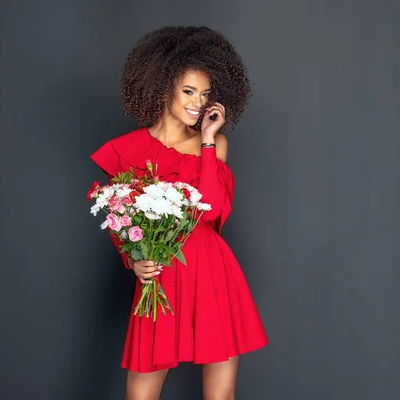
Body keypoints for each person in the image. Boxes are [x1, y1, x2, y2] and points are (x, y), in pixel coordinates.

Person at [90, 26, 268, 400]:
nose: (197, 103)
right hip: (160, 278)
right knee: (141, 392)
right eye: (188, 91)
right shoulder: (127, 150)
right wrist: (133, 261)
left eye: (205, 95)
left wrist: (205, 142)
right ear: (162, 87)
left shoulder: (214, 144)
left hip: (211, 271)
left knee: (220, 395)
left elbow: (213, 212)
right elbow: (119, 220)